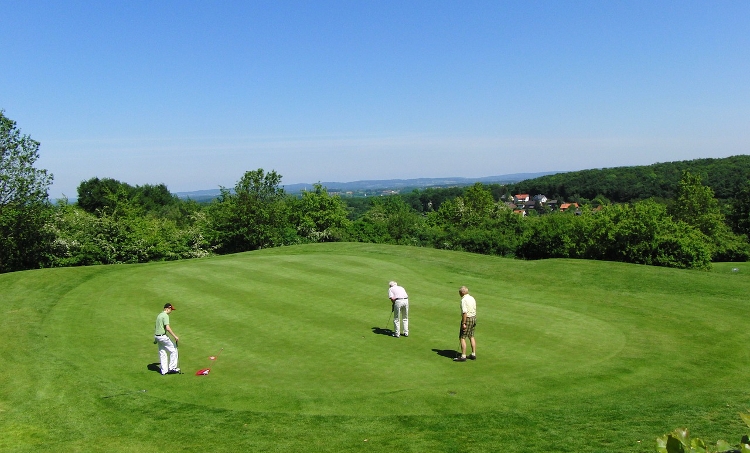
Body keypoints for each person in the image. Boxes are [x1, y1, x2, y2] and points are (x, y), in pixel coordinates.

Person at [154, 303, 180, 375]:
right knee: (174, 350)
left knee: (162, 353)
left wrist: (156, 339)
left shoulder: (159, 315)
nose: (171, 311)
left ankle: (164, 371)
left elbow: (156, 327)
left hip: (157, 336)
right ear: (168, 308)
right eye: (171, 309)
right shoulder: (165, 316)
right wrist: (175, 336)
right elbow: (167, 328)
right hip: (163, 337)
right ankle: (172, 368)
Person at [454, 286, 476, 362]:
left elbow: (464, 312)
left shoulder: (464, 300)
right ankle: (473, 354)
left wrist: (464, 323)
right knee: (471, 336)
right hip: (474, 318)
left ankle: (463, 356)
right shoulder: (472, 298)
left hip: (468, 319)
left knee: (462, 337)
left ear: (462, 292)